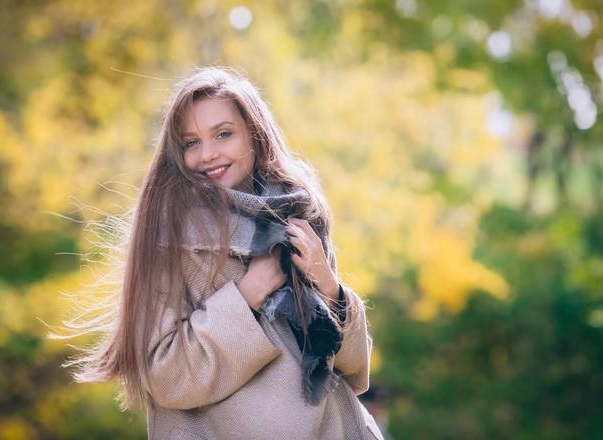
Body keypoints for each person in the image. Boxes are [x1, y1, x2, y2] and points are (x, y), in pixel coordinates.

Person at [69, 66, 383, 440]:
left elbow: (353, 368)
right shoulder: (169, 236)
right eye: (191, 142)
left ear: (253, 134)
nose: (208, 154)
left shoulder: (299, 213)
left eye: (223, 134)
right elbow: (166, 377)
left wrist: (329, 287)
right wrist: (246, 295)